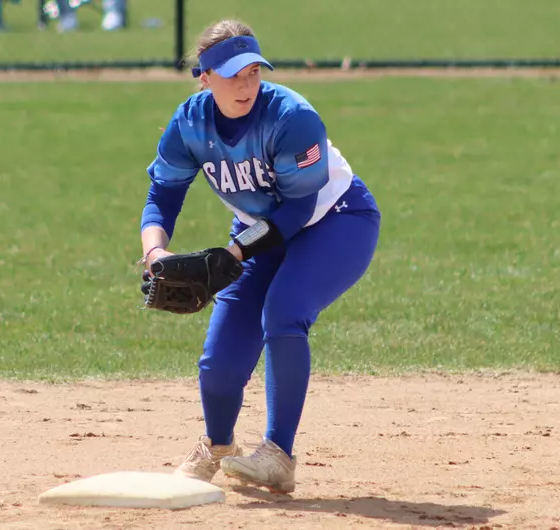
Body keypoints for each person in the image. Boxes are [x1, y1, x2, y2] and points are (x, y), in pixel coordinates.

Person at [138, 19, 381, 494]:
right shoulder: (190, 123)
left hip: (336, 221)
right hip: (256, 233)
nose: (246, 84)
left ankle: (278, 455)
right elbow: (162, 196)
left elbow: (298, 208)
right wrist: (155, 254)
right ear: (204, 78)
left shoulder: (292, 117)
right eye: (231, 75)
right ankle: (218, 446)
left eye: (253, 72)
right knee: (220, 358)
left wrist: (232, 252)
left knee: (284, 313)